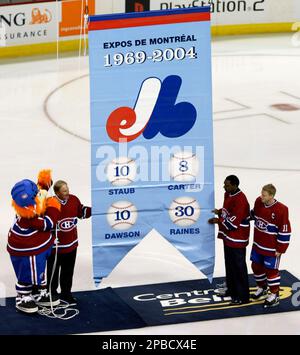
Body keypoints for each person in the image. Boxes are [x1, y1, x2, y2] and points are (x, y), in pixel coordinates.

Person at [7, 173, 61, 314]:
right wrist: (54, 206)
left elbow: (40, 194)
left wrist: (44, 183)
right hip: (27, 249)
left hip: (37, 245)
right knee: (27, 272)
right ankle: (23, 296)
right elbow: (48, 224)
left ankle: (39, 292)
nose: (39, 194)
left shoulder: (28, 202)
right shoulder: (28, 216)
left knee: (40, 269)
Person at [47, 180, 91, 305]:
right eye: (64, 191)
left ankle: (66, 293)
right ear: (56, 192)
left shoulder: (73, 200)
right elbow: (44, 222)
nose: (67, 192)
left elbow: (81, 212)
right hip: (55, 247)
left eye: (68, 189)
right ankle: (51, 294)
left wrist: (95, 210)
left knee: (68, 271)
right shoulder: (50, 203)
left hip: (71, 245)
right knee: (53, 272)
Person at [208, 175, 250, 304]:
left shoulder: (241, 200)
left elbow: (233, 223)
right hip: (229, 237)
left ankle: (242, 296)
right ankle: (232, 290)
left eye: (227, 185)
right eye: (224, 184)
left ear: (235, 185)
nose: (224, 187)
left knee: (239, 268)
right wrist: (219, 212)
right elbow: (228, 212)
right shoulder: (229, 194)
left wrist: (217, 221)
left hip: (238, 239)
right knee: (230, 265)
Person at [250, 184, 291, 308]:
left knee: (271, 271)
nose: (261, 196)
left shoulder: (282, 209)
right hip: (257, 244)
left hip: (271, 249)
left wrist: (281, 249)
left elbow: (285, 230)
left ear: (271, 196)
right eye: (261, 193)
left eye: (264, 195)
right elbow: (254, 214)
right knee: (256, 266)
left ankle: (274, 294)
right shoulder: (259, 201)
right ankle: (262, 287)